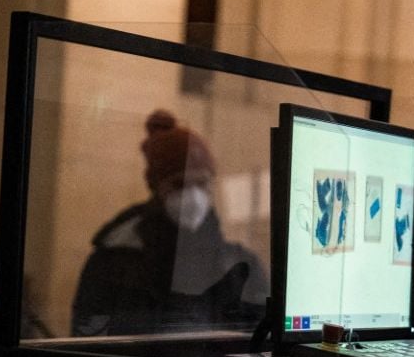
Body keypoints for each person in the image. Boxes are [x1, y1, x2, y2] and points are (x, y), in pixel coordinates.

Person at [71, 109, 269, 336]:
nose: (194, 195)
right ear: (157, 187)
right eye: (180, 183)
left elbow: (258, 347)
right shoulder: (113, 263)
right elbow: (89, 342)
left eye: (202, 183)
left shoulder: (239, 266)